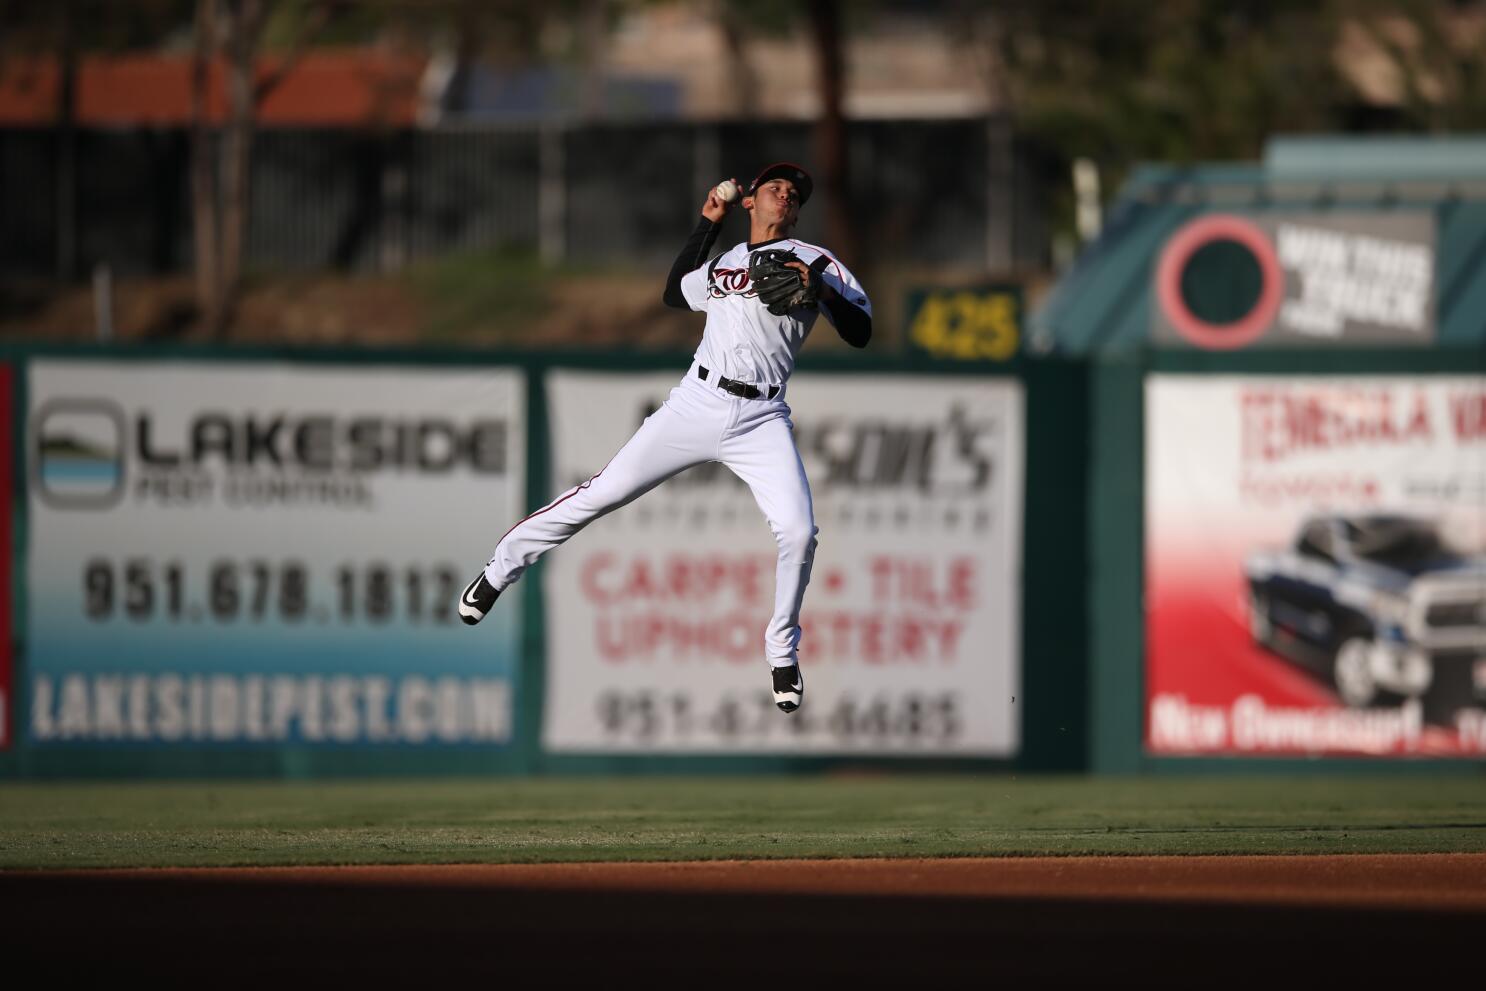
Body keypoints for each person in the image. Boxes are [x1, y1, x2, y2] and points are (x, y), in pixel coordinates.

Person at [458, 162, 872, 713]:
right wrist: (706, 224)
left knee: (798, 533)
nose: (786, 197)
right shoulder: (724, 263)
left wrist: (820, 289)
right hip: (696, 404)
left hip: (762, 415)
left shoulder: (818, 262)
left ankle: (781, 651)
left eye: (794, 195)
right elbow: (676, 293)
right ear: (750, 202)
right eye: (775, 189)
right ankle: (499, 568)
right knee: (603, 492)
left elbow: (861, 331)